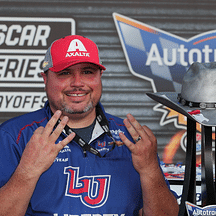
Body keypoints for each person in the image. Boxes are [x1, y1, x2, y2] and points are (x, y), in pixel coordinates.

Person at [0, 35, 178, 215]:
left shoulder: (131, 137)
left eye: (87, 72)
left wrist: (150, 171)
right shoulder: (14, 136)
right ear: (45, 79)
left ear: (100, 76)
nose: (77, 83)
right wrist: (27, 172)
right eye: (65, 73)